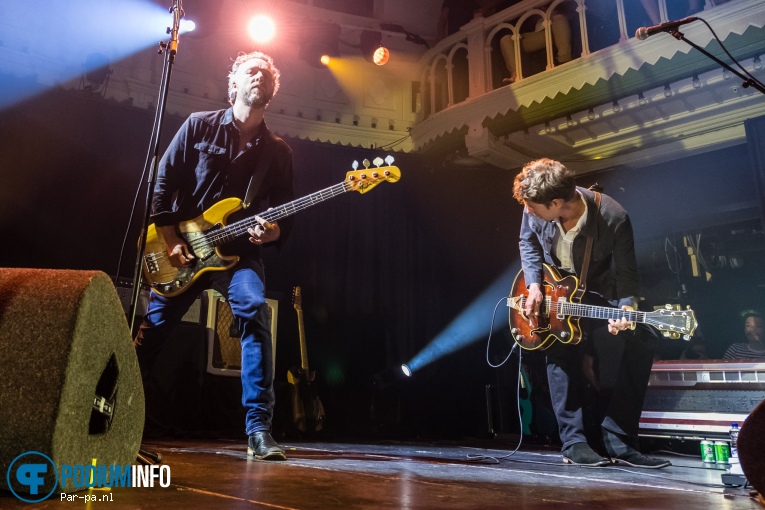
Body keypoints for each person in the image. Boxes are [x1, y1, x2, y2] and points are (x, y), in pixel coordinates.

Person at [134, 51, 294, 461]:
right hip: (182, 250)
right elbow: (163, 183)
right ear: (234, 84)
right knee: (152, 333)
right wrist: (171, 240)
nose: (259, 75)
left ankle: (258, 430)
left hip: (237, 257)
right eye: (250, 70)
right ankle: (114, 407)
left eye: (266, 73)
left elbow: (282, 212)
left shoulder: (278, 152)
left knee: (255, 310)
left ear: (272, 90)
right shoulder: (198, 126)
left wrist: (272, 231)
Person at [513, 158, 670, 468]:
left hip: (596, 293)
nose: (528, 211)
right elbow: (527, 242)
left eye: (533, 207)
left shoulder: (613, 216)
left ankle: (619, 438)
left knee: (645, 335)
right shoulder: (534, 203)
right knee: (557, 348)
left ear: (556, 202)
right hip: (552, 291)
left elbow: (627, 274)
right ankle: (574, 442)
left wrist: (626, 307)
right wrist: (534, 286)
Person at [499, 2, 572, 84]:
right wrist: (535, 14)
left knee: (559, 18)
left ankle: (564, 61)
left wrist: (550, 11)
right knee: (506, 40)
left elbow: (568, 8)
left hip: (555, 28)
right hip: (539, 34)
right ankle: (516, 75)